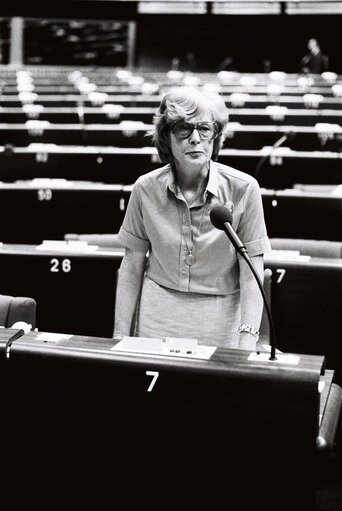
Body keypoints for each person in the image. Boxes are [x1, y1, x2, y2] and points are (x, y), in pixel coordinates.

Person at [114, 86, 271, 350]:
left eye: (205, 129)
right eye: (183, 128)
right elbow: (131, 265)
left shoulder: (244, 189)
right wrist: (120, 336)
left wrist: (247, 341)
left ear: (215, 136)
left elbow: (251, 272)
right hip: (157, 317)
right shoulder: (145, 188)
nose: (195, 138)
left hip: (221, 319)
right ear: (167, 136)